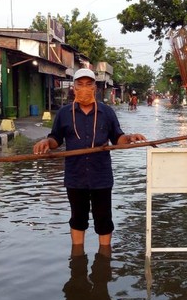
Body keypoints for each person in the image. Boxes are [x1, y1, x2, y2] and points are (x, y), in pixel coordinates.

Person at [33, 68, 146, 247]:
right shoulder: (64, 113)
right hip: (75, 177)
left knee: (104, 221)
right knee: (78, 220)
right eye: (80, 84)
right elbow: (56, 138)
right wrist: (46, 142)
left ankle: (104, 260)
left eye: (88, 84)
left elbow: (118, 138)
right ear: (74, 88)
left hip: (101, 177)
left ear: (95, 87)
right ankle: (77, 258)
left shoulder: (107, 112)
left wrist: (130, 138)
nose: (84, 88)